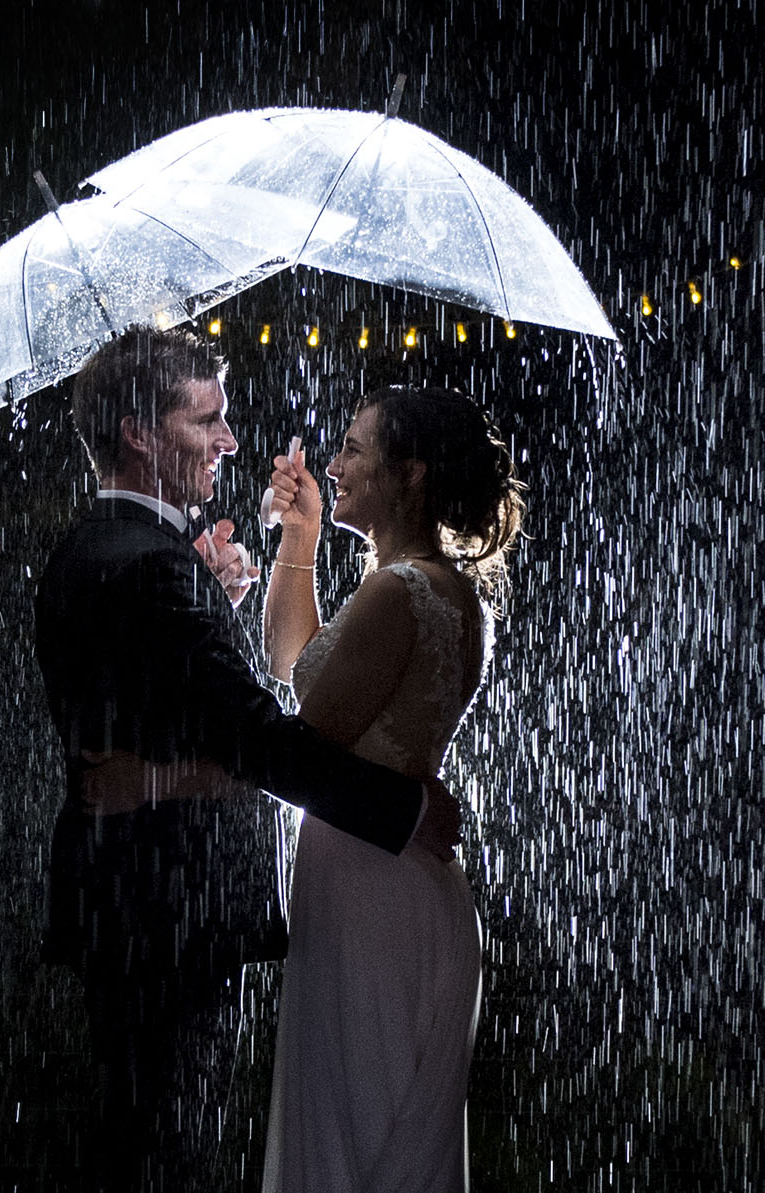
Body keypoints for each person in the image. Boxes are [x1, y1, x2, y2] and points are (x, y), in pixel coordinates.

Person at [34, 325, 459, 1190]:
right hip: (171, 912)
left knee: (150, 1142)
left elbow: (164, 702)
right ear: (140, 434)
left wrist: (209, 599)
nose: (229, 440)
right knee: (166, 1156)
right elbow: (258, 738)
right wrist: (405, 811)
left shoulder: (103, 549)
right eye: (206, 421)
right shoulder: (149, 567)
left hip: (134, 905)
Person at [258, 385, 522, 1193]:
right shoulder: (438, 587)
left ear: (408, 474)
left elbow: (305, 737)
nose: (332, 464)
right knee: (379, 1138)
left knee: (346, 1134)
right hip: (400, 874)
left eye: (353, 450)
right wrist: (298, 539)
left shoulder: (395, 593)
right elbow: (297, 666)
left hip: (371, 888)